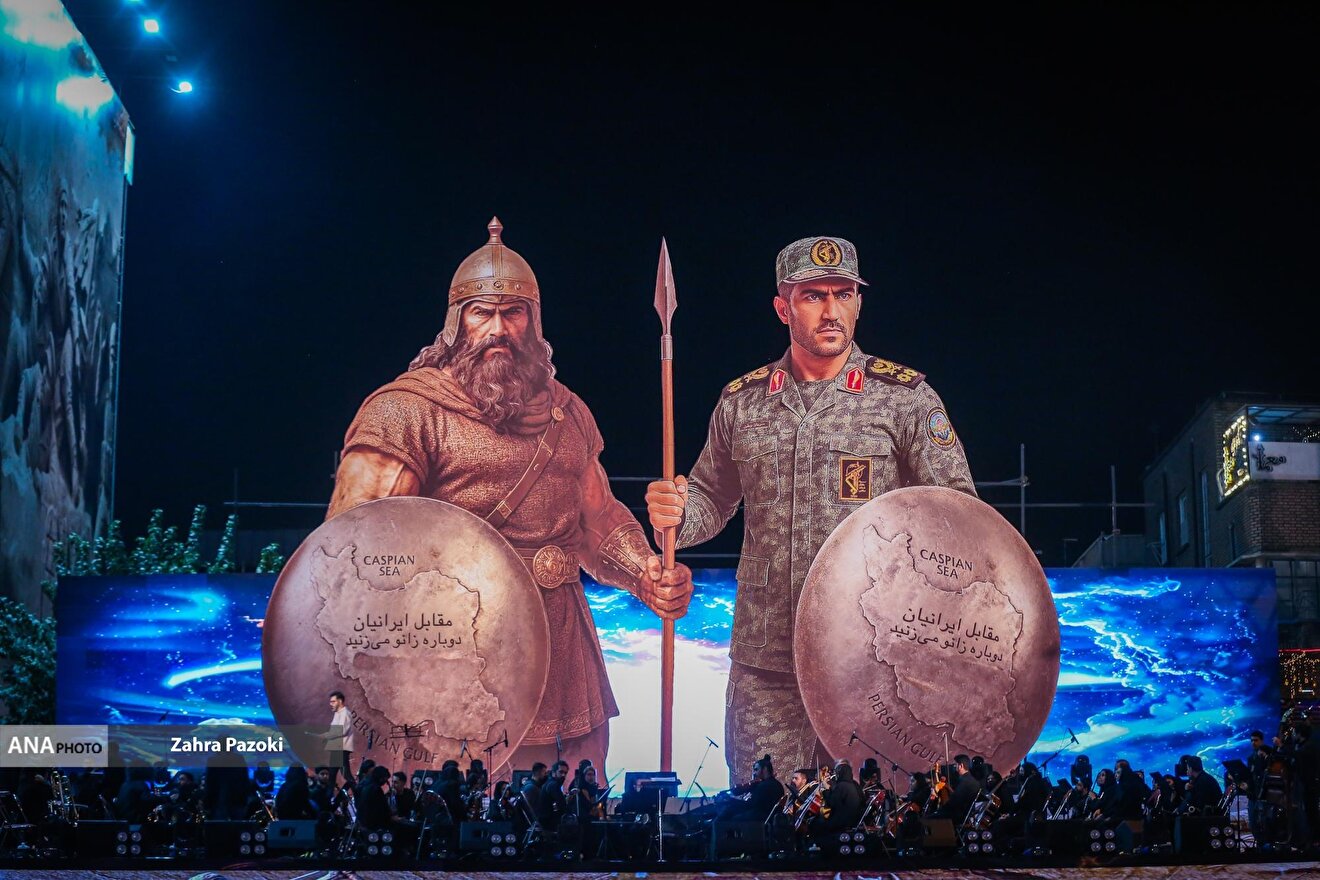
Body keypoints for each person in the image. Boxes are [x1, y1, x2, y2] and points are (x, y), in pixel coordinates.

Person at [329, 218, 693, 773]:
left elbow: (596, 519)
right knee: (451, 820)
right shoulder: (405, 413)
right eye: (483, 313)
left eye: (513, 312)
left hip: (559, 647)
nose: (499, 329)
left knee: (569, 810)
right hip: (453, 652)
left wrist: (646, 571)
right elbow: (351, 557)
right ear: (457, 322)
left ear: (534, 320)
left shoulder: (566, 413)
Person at [647, 234, 975, 781]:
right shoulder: (742, 403)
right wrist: (677, 512)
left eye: (843, 294)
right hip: (766, 665)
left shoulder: (905, 399)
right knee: (761, 823)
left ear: (859, 301)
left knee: (877, 826)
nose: (830, 310)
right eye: (812, 296)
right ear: (783, 307)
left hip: (872, 660)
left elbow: (958, 517)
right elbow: (712, 497)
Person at [722, 754, 785, 823]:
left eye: (756, 769)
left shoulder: (764, 786)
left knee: (728, 817)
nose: (754, 773)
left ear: (765, 769)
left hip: (758, 821)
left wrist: (731, 800)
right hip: (768, 820)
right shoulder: (778, 785)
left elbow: (750, 805)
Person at [327, 690, 355, 787]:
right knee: (332, 775)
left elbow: (342, 730)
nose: (331, 704)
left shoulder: (345, 713)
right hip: (336, 748)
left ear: (340, 701)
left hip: (341, 748)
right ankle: (328, 798)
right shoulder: (337, 713)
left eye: (333, 701)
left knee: (346, 774)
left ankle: (358, 795)